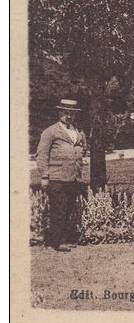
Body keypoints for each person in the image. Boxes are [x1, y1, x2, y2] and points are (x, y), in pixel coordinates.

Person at [36, 98, 87, 252]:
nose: (69, 116)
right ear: (60, 113)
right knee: (59, 209)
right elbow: (42, 154)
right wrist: (45, 176)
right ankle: (57, 241)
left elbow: (83, 148)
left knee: (69, 208)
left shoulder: (78, 131)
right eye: (66, 113)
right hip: (57, 176)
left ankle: (65, 238)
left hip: (73, 177)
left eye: (72, 113)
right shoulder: (50, 131)